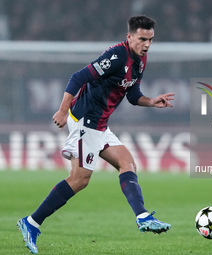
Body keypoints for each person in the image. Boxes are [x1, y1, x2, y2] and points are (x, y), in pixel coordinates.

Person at [17, 15, 174, 254]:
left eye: (150, 40)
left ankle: (143, 217)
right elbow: (78, 77)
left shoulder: (140, 60)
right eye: (142, 39)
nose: (147, 44)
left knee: (127, 162)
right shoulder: (116, 56)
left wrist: (151, 101)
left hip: (100, 123)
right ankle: (31, 222)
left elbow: (132, 95)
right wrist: (62, 110)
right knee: (80, 179)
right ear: (129, 36)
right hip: (85, 120)